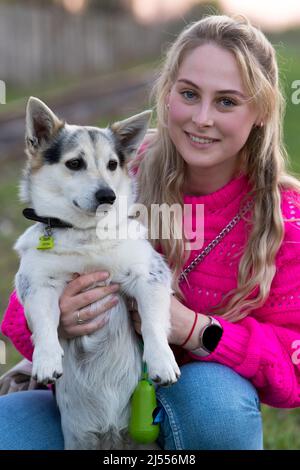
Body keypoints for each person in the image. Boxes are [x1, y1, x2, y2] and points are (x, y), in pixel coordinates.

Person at [1, 13, 300, 450]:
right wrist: (61, 318)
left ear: (260, 112)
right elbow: (19, 317)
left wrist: (197, 330)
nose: (201, 118)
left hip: (193, 401)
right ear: (167, 94)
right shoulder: (114, 175)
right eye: (189, 94)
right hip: (88, 396)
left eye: (227, 102)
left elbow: (293, 368)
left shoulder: (285, 218)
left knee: (218, 408)